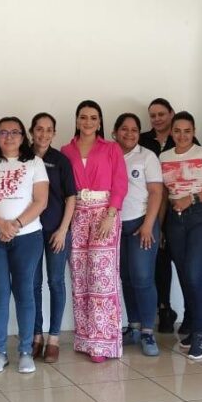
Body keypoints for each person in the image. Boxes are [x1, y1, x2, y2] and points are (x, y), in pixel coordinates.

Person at [0, 117, 49, 373]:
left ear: (23, 136)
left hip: (27, 237)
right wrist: (0, 224)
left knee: (25, 292)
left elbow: (41, 201)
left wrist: (14, 224)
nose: (9, 136)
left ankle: (26, 351)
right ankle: (1, 351)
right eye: (3, 132)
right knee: (0, 293)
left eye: (15, 132)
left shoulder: (34, 163)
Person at [61, 100, 128, 362]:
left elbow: (120, 183)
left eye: (93, 118)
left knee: (102, 278)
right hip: (77, 214)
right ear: (77, 120)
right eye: (83, 117)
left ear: (99, 122)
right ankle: (85, 338)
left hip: (104, 215)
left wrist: (111, 215)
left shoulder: (110, 148)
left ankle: (104, 343)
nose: (87, 122)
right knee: (80, 277)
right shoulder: (66, 150)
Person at [160, 112, 202, 360]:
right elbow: (162, 194)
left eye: (187, 131)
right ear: (171, 132)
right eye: (177, 130)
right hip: (174, 221)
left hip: (201, 217)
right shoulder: (163, 157)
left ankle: (200, 333)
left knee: (194, 274)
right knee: (185, 276)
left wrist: (192, 198)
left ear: (194, 130)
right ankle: (197, 327)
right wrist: (161, 226)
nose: (182, 135)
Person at [113, 113, 164, 357]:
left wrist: (148, 225)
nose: (129, 134)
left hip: (142, 224)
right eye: (124, 129)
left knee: (143, 278)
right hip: (115, 226)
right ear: (115, 132)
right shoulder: (108, 153)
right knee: (126, 277)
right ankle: (133, 326)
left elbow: (156, 192)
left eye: (134, 130)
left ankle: (147, 331)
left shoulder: (147, 156)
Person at [30, 113, 77, 363]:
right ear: (31, 131)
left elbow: (71, 197)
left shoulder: (60, 161)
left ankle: (54, 338)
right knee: (33, 285)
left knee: (56, 283)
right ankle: (36, 336)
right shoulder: (23, 157)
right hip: (29, 233)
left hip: (56, 232)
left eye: (49, 130)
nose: (44, 134)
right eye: (39, 129)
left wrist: (63, 230)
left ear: (54, 133)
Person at [137, 97, 184, 334]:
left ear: (172, 113)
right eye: (152, 115)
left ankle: (174, 309)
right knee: (155, 261)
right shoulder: (143, 140)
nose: (157, 119)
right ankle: (161, 307)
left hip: (179, 208)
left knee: (178, 262)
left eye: (161, 114)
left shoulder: (185, 138)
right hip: (148, 210)